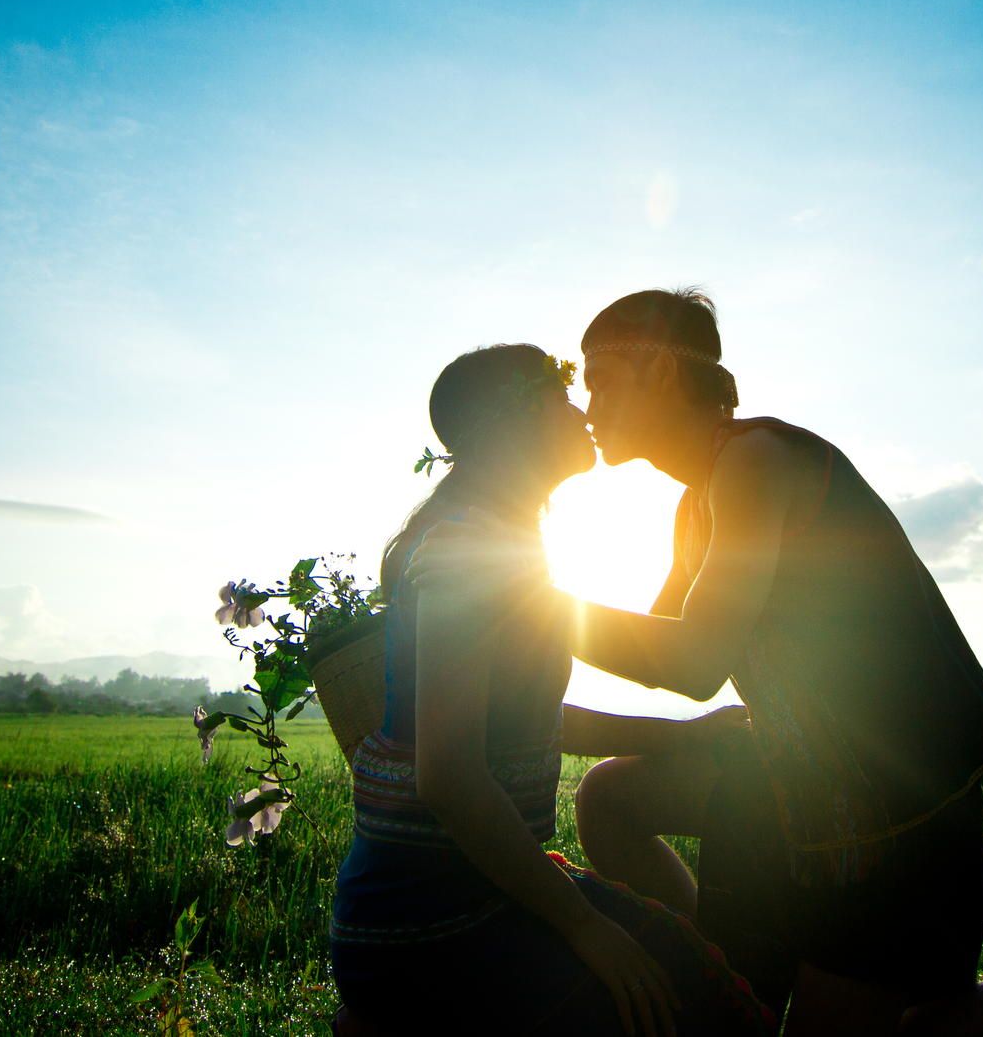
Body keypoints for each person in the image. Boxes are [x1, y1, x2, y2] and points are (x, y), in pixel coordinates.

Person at [545, 289, 983, 1036]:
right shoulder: (697, 502)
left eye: (601, 381)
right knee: (610, 798)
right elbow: (658, 641)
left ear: (661, 371)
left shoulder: (755, 463)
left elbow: (692, 660)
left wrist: (534, 607)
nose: (588, 405)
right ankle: (725, 975)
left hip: (893, 801)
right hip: (797, 771)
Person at [328, 343, 776, 1037]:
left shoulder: (496, 540)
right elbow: (448, 775)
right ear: (517, 423)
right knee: (698, 1004)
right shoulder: (469, 549)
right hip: (431, 925)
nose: (582, 411)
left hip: (463, 896)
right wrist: (585, 927)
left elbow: (529, 719)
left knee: (689, 964)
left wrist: (680, 736)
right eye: (562, 395)